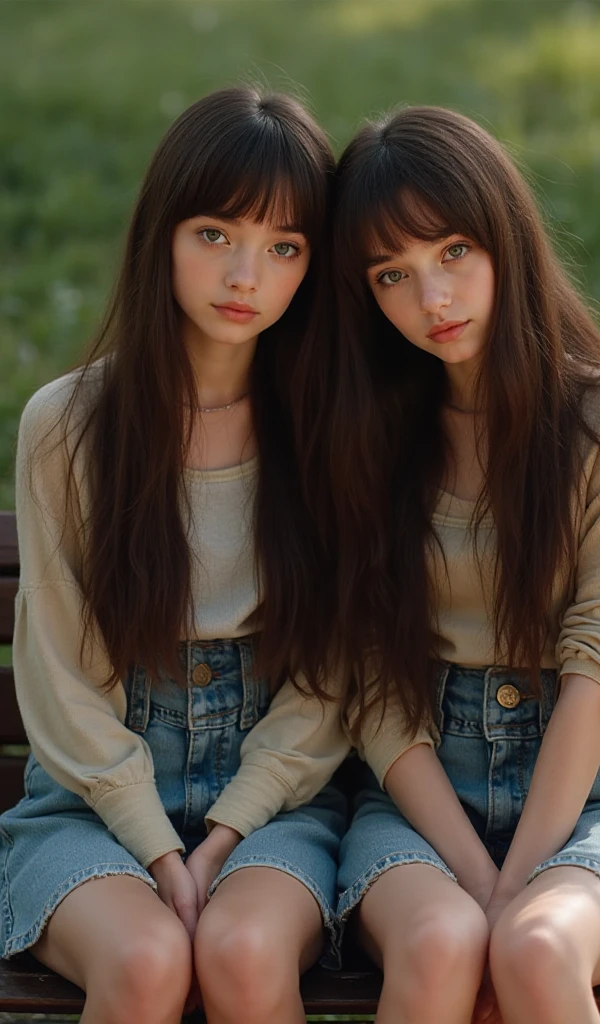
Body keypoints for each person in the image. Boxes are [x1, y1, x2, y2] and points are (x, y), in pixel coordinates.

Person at [0, 86, 424, 1024]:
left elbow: (331, 674)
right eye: (214, 234)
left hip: (280, 798)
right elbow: (60, 672)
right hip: (88, 799)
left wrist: (227, 831)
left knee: (241, 951)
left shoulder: (331, 430)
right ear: (160, 234)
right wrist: (157, 848)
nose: (244, 275)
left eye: (284, 248)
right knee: (146, 961)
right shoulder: (68, 427)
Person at [323, 106, 600, 1024]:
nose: (432, 297)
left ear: (506, 238)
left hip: (598, 791)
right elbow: (372, 683)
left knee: (534, 946)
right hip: (419, 796)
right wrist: (480, 887)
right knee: (442, 942)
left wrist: (515, 892)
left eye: (454, 251)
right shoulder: (367, 440)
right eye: (392, 274)